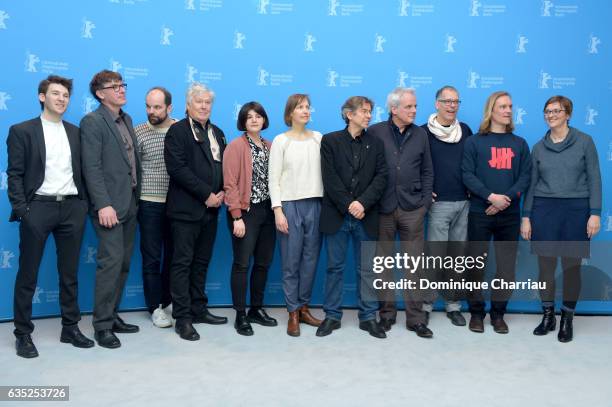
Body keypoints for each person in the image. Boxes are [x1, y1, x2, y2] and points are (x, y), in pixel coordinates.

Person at [7, 75, 92, 358]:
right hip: (38, 209)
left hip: (71, 208)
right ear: (42, 97)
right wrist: (24, 211)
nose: (61, 99)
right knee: (28, 275)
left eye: (65, 95)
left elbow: (85, 172)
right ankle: (23, 334)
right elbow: (15, 175)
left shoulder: (75, 132)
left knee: (69, 275)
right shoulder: (22, 131)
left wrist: (82, 205)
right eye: (55, 94)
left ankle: (70, 327)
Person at [521, 95, 601, 342]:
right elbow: (532, 186)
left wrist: (595, 214)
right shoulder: (538, 147)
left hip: (576, 211)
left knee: (571, 267)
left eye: (556, 111)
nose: (551, 115)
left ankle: (567, 317)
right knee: (545, 267)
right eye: (547, 111)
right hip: (544, 210)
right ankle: (548, 315)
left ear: (568, 114)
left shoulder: (585, 142)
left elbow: (595, 179)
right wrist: (526, 217)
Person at [316, 96, 388, 339]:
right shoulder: (330, 141)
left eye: (370, 112)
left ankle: (368, 317)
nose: (369, 116)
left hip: (366, 216)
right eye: (365, 111)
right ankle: (332, 316)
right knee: (334, 268)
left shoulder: (376, 144)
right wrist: (349, 204)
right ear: (349, 114)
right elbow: (330, 179)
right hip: (337, 215)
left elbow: (381, 178)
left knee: (367, 269)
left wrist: (362, 203)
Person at [462, 90, 531, 334]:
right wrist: (490, 197)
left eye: (510, 106)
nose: (508, 110)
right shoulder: (474, 142)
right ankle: (477, 314)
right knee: (475, 266)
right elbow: (467, 174)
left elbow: (525, 177)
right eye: (502, 106)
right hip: (481, 212)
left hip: (509, 215)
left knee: (505, 267)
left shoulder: (519, 144)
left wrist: (506, 199)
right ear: (491, 110)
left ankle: (498, 314)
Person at [81, 70, 141, 349]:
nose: (121, 90)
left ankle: (113, 315)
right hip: (109, 207)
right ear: (99, 93)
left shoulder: (126, 119)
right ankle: (102, 326)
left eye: (122, 85)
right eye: (114, 86)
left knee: (124, 264)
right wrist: (103, 204)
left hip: (130, 203)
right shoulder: (92, 122)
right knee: (110, 264)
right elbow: (91, 168)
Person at [368, 87, 434, 338]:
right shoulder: (375, 132)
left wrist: (425, 204)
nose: (415, 110)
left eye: (415, 106)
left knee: (414, 266)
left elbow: (428, 171)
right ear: (394, 109)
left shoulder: (421, 135)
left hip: (413, 209)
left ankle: (416, 319)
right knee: (383, 265)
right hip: (383, 209)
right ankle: (386, 315)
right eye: (409, 107)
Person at [164, 82, 228, 341]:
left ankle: (199, 309)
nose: (203, 106)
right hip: (185, 211)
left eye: (207, 102)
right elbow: (177, 169)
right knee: (182, 264)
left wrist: (223, 191)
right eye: (198, 102)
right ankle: (183, 318)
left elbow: (223, 167)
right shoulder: (177, 131)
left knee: (201, 263)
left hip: (212, 211)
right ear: (188, 105)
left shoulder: (218, 132)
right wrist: (206, 195)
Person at [269, 94, 324, 337]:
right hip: (290, 206)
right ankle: (292, 311)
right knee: (291, 261)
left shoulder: (319, 139)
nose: (305, 111)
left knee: (310, 260)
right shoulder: (281, 141)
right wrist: (278, 211)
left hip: (315, 204)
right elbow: (273, 178)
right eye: (300, 107)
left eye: (307, 107)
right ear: (290, 112)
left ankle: (303, 307)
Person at [223, 102, 278, 336]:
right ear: (243, 122)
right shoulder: (236, 147)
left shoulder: (270, 145)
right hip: (245, 212)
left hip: (267, 211)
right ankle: (240, 314)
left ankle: (256, 309)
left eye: (258, 116)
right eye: (249, 117)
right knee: (242, 264)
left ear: (264, 119)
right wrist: (236, 216)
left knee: (263, 263)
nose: (254, 120)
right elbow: (230, 184)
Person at [421, 85, 473, 327]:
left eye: (456, 101)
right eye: (447, 101)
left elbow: (473, 164)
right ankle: (426, 305)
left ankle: (453, 306)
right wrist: (422, 191)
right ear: (436, 104)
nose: (452, 105)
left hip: (464, 202)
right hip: (438, 204)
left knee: (457, 258)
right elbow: (412, 165)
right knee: (435, 257)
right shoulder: (423, 133)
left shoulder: (466, 131)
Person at [134, 87, 176, 328]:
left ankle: (168, 300)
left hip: (175, 204)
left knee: (173, 256)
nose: (152, 111)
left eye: (157, 107)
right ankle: (154, 308)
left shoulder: (180, 129)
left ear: (169, 108)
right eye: (148, 106)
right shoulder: (137, 132)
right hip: (148, 203)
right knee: (151, 257)